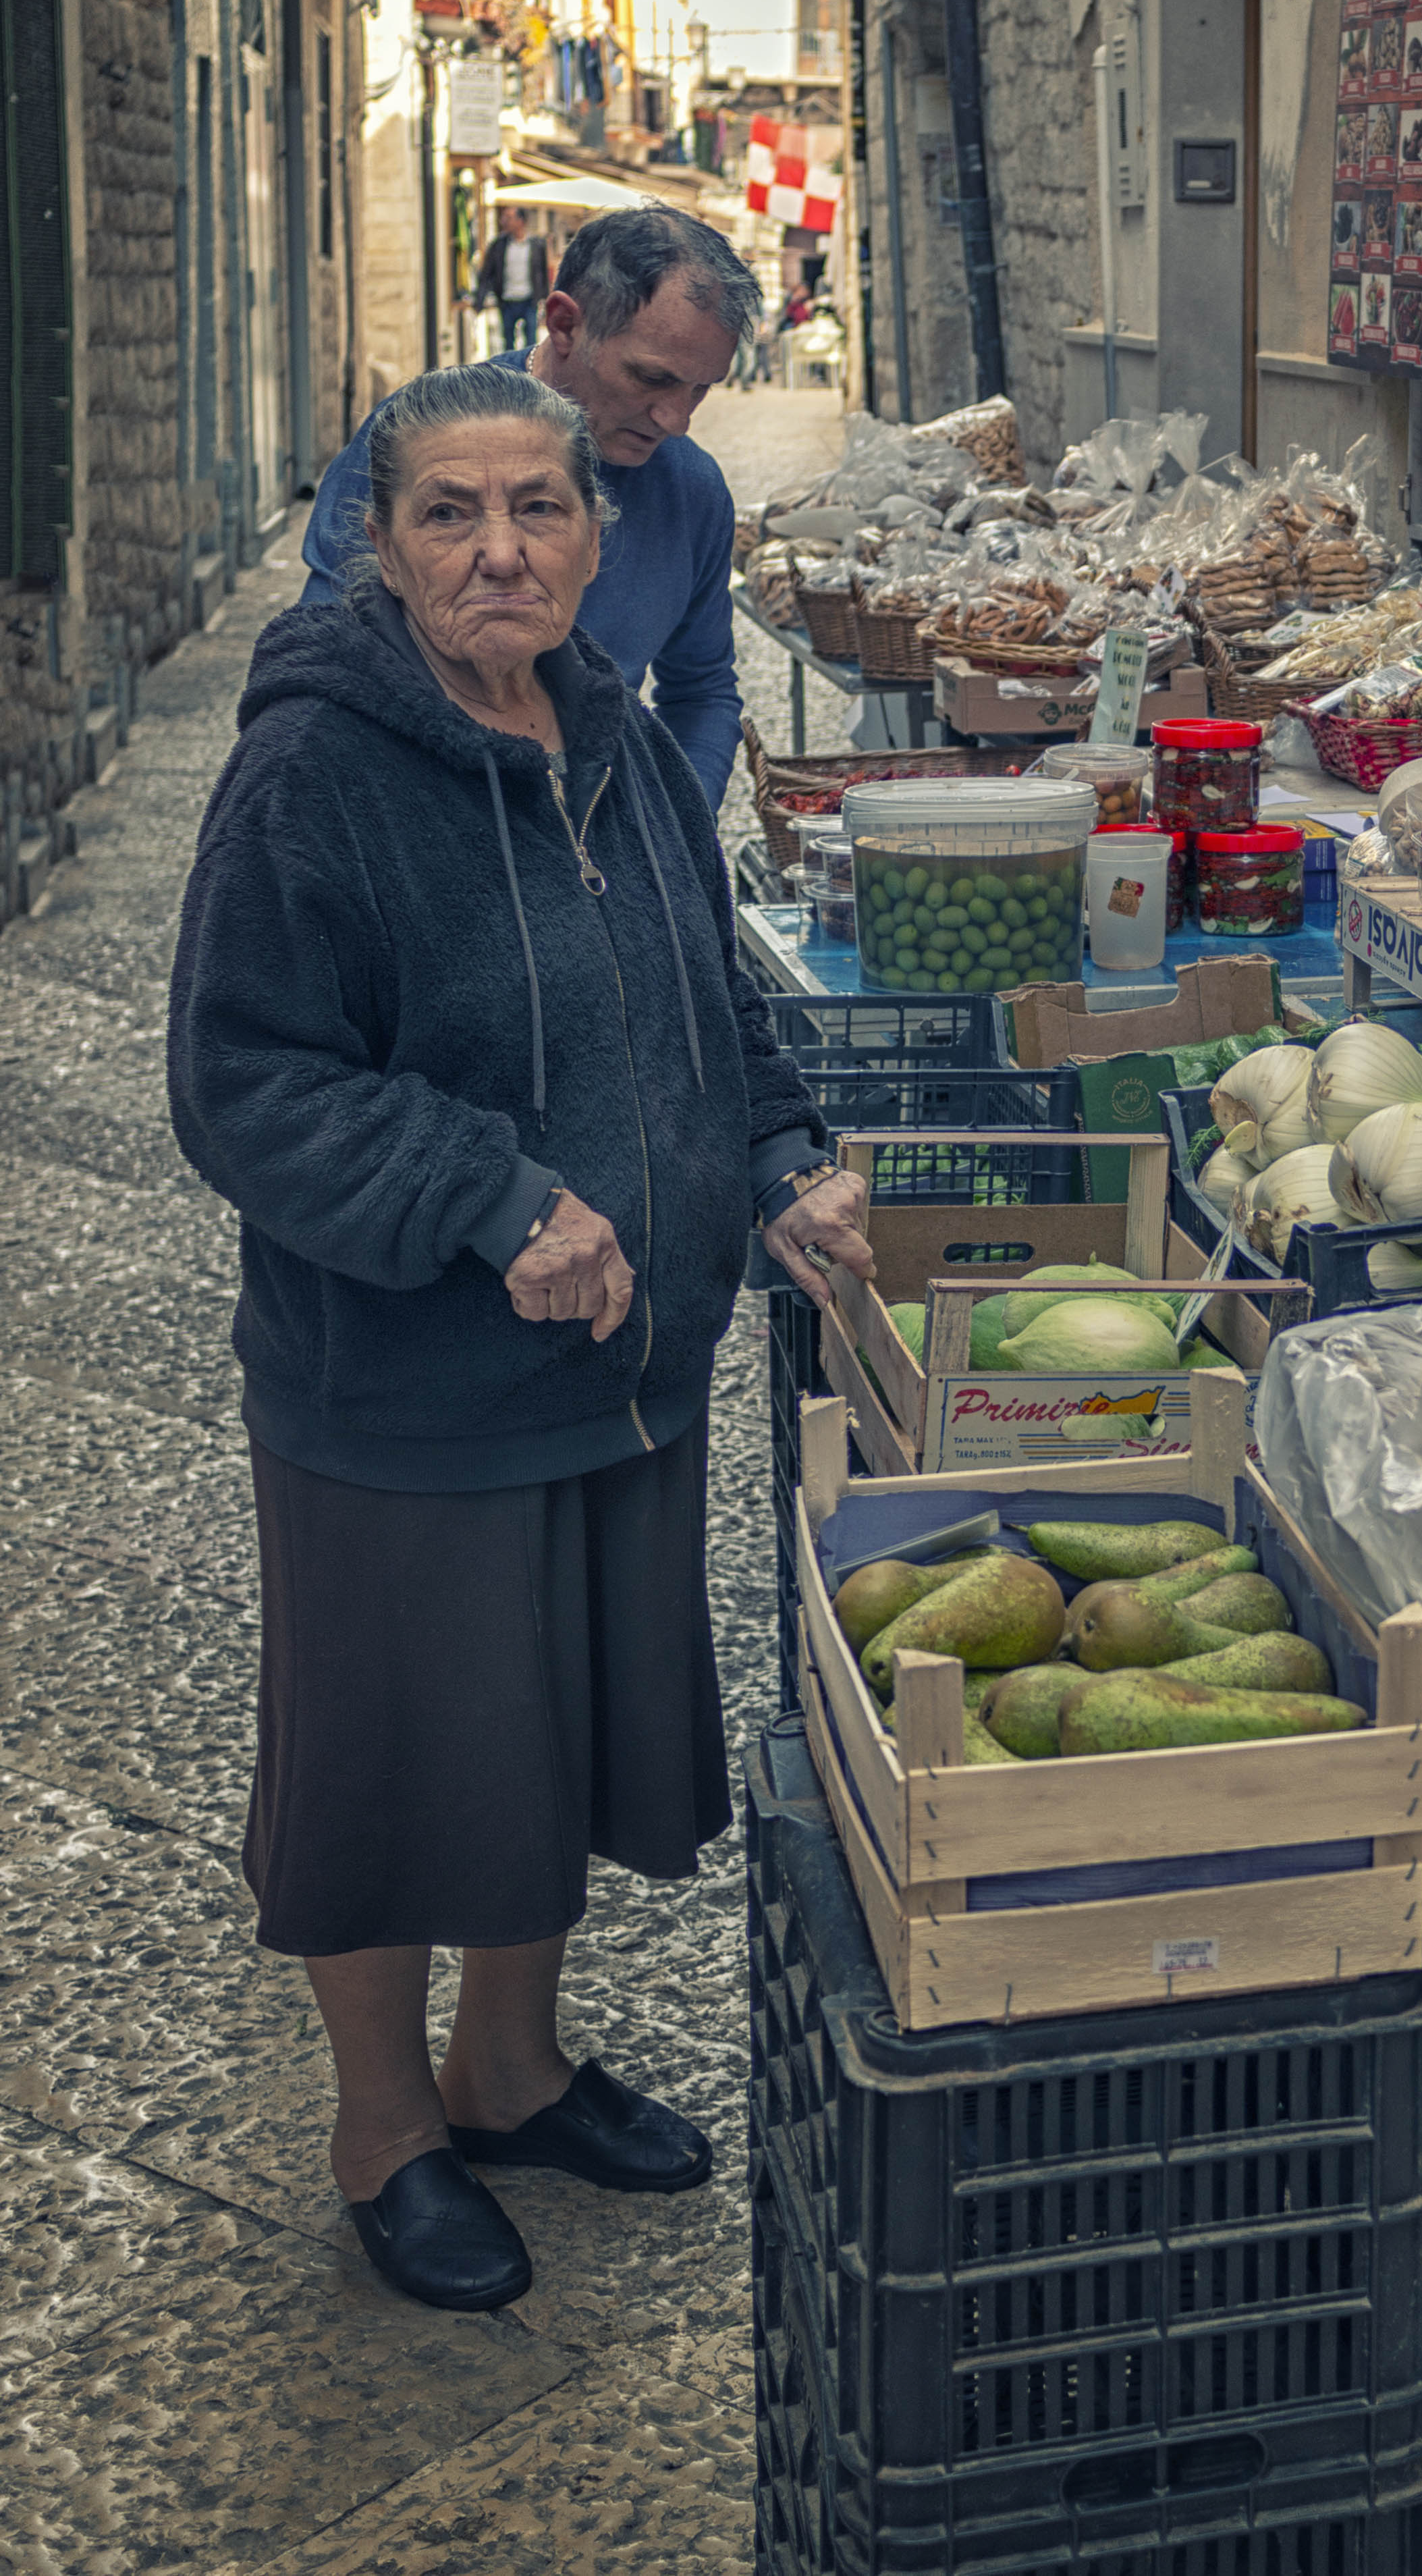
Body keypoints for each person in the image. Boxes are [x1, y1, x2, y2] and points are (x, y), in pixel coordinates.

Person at [169, 362, 875, 2316]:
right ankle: (386, 2123)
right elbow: (244, 1080)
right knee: (400, 1757)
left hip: (621, 1360)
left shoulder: (614, 732)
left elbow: (703, 983)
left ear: (595, 528)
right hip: (404, 1382)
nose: (500, 550)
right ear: (381, 547)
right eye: (450, 514)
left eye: (538, 510)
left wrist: (786, 1152)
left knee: (546, 1733)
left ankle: (513, 2063)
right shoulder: (315, 767)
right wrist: (490, 1198)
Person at [304, 207, 757, 808]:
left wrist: (673, 841)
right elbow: (317, 670)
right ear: (565, 324)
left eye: (701, 388)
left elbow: (701, 690)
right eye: (652, 379)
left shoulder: (692, 490)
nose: (676, 419)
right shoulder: (421, 445)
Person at [477, 207, 551, 349]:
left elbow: (542, 273)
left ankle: (527, 371)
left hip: (529, 300)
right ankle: (511, 371)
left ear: (521, 221)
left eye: (509, 218)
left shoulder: (536, 245)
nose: (504, 221)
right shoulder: (498, 245)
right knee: (508, 343)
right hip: (507, 301)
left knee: (531, 342)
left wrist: (546, 300)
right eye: (504, 217)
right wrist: (480, 299)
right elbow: (487, 273)